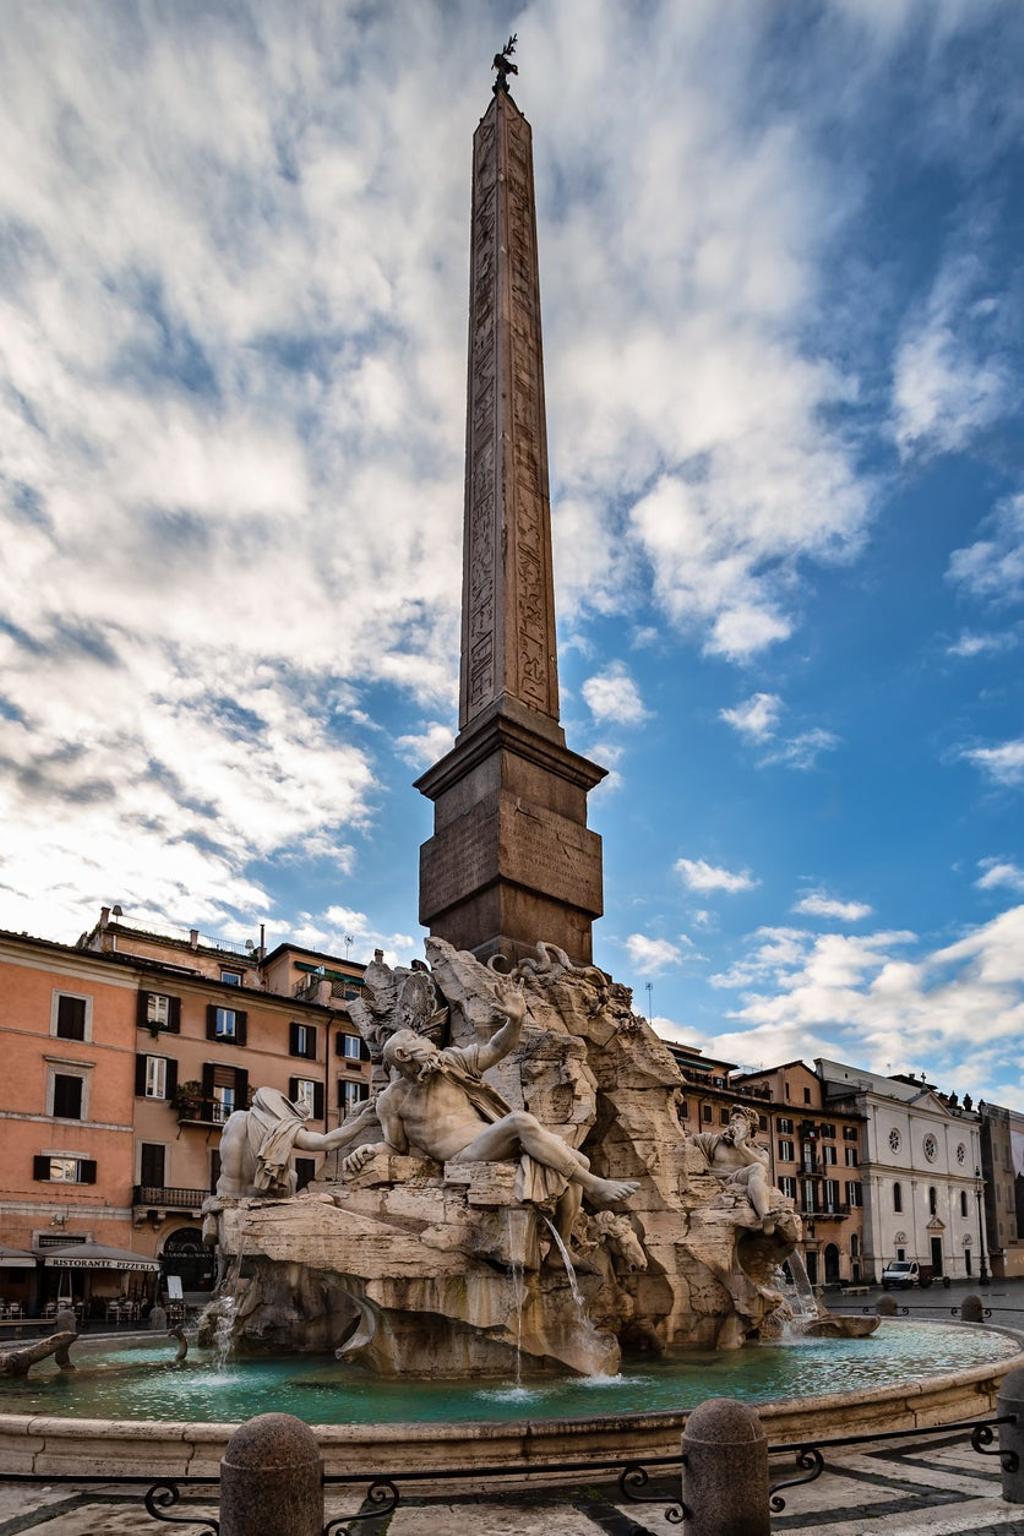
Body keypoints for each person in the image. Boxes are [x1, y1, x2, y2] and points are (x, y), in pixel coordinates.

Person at [342, 979, 637, 1253]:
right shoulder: (391, 1100)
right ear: (404, 1055)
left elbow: (496, 1047)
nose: (426, 1040)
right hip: (461, 1157)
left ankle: (561, 1251)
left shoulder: (451, 1064)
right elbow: (396, 1148)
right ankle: (594, 1185)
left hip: (490, 1142)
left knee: (578, 1160)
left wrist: (515, 1020)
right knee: (520, 1121)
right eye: (415, 1038)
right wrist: (368, 1149)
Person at [216, 1086, 377, 1199]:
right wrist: (363, 1121)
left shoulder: (236, 1119)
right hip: (256, 1196)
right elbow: (326, 1143)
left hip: (226, 1194)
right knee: (291, 1176)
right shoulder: (283, 1128)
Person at [689, 1104, 776, 1233]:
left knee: (757, 1168)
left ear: (749, 1125)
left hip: (738, 1179)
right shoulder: (713, 1141)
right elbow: (683, 1142)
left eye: (739, 1117)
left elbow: (764, 1168)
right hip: (714, 1183)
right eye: (732, 1118)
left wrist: (741, 1146)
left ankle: (765, 1217)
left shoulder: (758, 1151)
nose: (733, 1120)